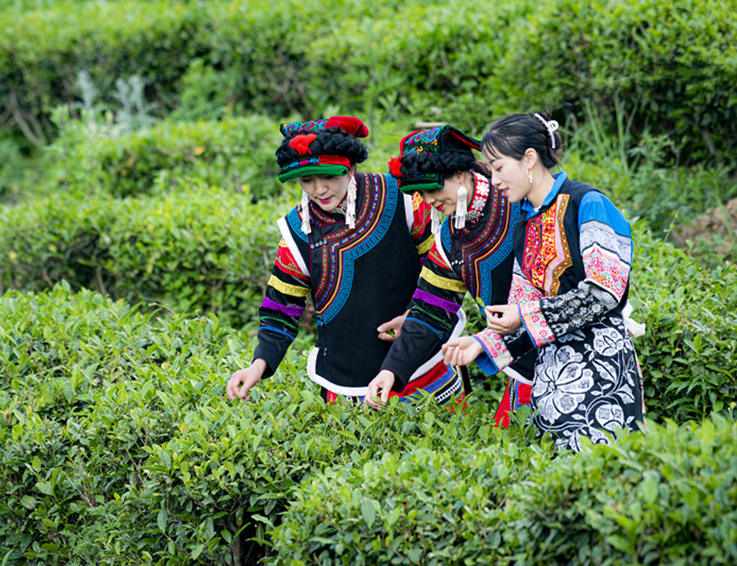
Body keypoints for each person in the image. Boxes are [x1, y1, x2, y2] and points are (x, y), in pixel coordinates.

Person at [443, 112, 645, 451]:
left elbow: (603, 293)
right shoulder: (524, 224)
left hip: (603, 376)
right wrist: (481, 342)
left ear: (529, 159)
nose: (494, 180)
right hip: (548, 382)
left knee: (603, 470)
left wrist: (524, 314)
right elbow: (524, 310)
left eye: (498, 168)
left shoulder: (588, 204)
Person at [226, 116, 462, 405]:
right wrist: (258, 364)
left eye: (329, 176)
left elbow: (444, 272)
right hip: (345, 381)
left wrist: (415, 318)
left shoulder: (402, 198)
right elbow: (281, 307)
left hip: (426, 363)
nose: (319, 190)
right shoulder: (296, 231)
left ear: (350, 168)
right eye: (307, 180)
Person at [365, 125, 536, 423]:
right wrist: (391, 370)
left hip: (568, 348)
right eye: (421, 193)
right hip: (522, 364)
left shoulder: (518, 205)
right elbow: (431, 309)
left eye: (433, 189)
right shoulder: (449, 237)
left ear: (459, 174)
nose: (428, 200)